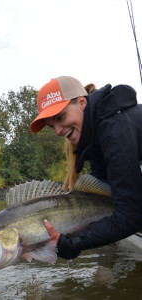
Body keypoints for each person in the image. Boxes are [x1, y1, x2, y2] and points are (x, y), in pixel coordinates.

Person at [30, 76, 142, 259]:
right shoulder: (94, 141)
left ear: (82, 103)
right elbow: (102, 193)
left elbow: (131, 216)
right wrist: (66, 231)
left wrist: (73, 244)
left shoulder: (114, 128)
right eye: (51, 126)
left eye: (60, 117)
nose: (57, 131)